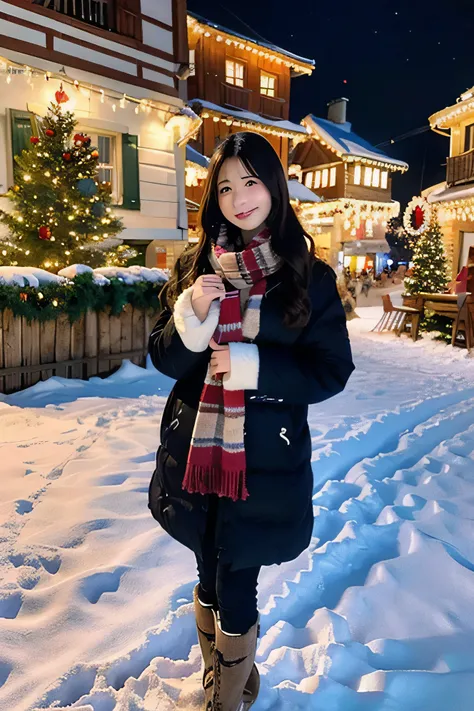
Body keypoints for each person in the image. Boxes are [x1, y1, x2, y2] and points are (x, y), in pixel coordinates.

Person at [147, 131, 355, 711]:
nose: (240, 198)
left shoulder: (306, 275)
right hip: (196, 452)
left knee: (238, 576)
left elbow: (330, 369)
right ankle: (227, 672)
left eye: (252, 182)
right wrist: (192, 315)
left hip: (263, 463)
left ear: (274, 187)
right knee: (207, 568)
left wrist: (252, 366)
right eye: (226, 186)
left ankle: (226, 694)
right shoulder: (197, 265)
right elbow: (163, 358)